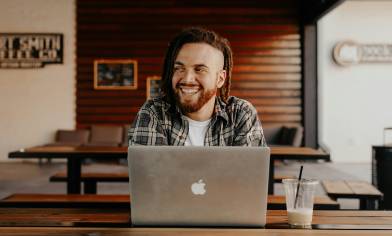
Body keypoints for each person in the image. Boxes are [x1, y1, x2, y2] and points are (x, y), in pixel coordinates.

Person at [129, 27, 266, 146]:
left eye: (200, 69)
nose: (187, 79)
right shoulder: (153, 113)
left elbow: (248, 176)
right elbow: (151, 175)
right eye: (179, 68)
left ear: (220, 79)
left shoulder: (241, 114)